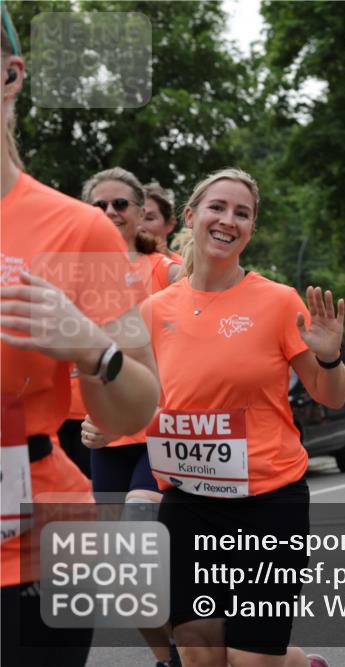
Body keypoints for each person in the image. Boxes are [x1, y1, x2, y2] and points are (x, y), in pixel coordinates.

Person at [89, 168, 340, 667]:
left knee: (249, 661)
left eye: (241, 213)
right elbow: (148, 399)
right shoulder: (155, 310)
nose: (228, 220)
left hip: (268, 505)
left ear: (251, 227)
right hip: (187, 503)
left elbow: (330, 397)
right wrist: (111, 422)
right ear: (191, 216)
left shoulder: (276, 301)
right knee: (201, 657)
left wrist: (330, 357)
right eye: (217, 208)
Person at [1, 10, 160, 665]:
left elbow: (138, 404)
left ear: (10, 76)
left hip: (39, 529)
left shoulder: (77, 229)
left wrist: (94, 349)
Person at [79, 166, 180, 667]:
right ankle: (168, 658)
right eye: (99, 205)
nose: (109, 213)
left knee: (140, 527)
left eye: (120, 204)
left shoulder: (164, 269)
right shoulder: (72, 274)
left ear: (142, 212)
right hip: (104, 437)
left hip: (162, 431)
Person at [142, 182, 183, 262]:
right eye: (135, 218)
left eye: (149, 218)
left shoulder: (182, 270)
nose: (139, 226)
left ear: (170, 224)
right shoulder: (117, 265)